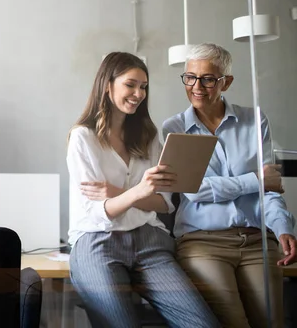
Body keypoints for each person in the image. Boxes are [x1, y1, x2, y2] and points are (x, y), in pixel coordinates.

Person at [67, 52, 218, 328]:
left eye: (144, 87)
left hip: (150, 241)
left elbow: (165, 204)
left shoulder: (149, 137)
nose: (139, 93)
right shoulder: (83, 138)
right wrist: (138, 193)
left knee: (203, 324)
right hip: (98, 242)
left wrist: (117, 193)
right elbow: (97, 214)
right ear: (107, 84)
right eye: (131, 84)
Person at [162, 43, 296, 328]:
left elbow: (269, 189)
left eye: (208, 79)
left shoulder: (254, 121)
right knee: (234, 323)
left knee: (272, 323)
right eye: (190, 77)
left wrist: (283, 226)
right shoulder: (173, 128)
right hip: (202, 242)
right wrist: (255, 180)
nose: (197, 86)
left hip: (257, 239)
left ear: (226, 82)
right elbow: (194, 189)